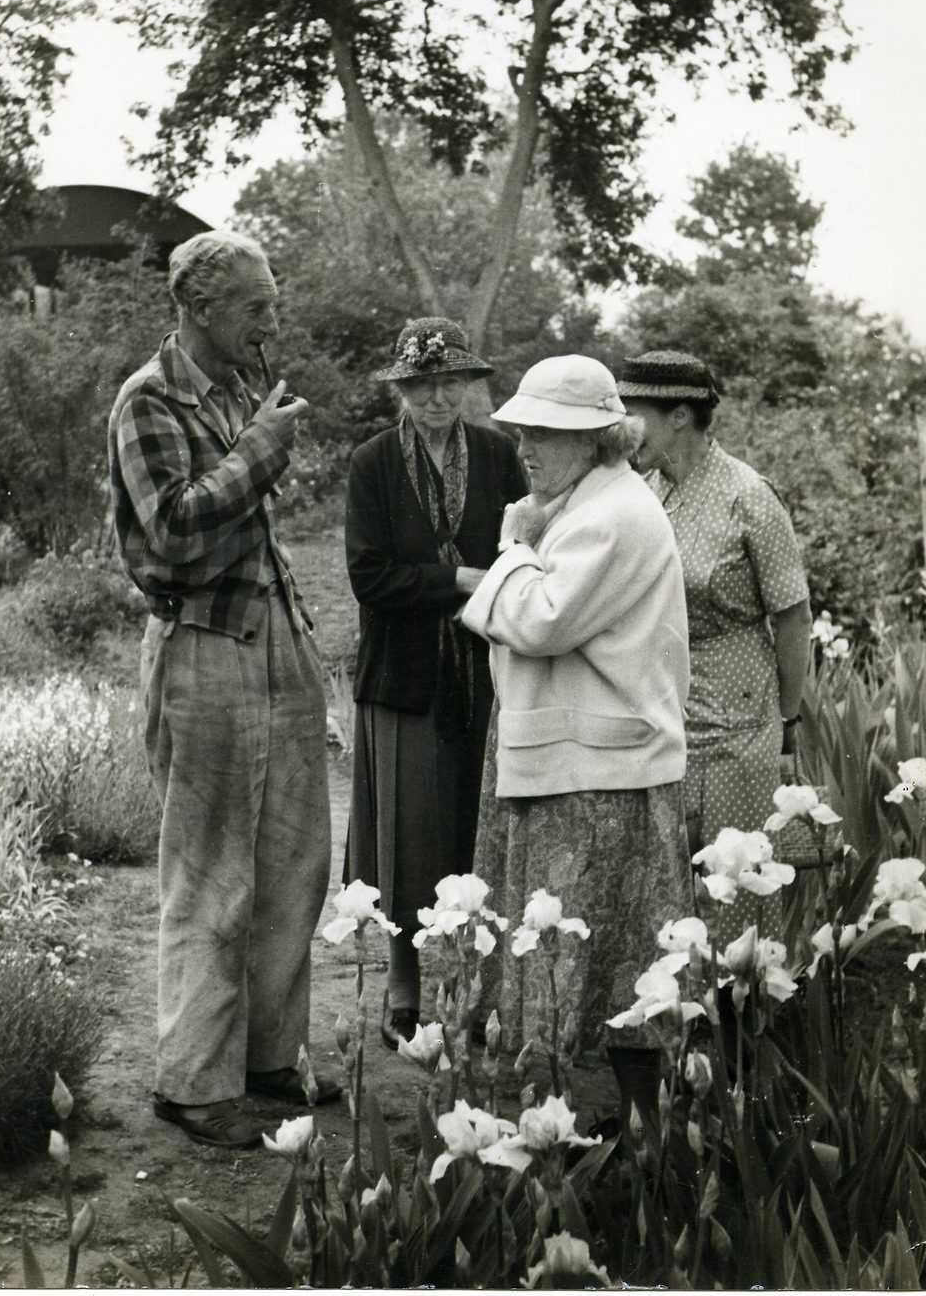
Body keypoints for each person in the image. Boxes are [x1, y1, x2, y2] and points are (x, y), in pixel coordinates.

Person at [108, 229, 335, 1151]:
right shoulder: (149, 399)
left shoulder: (243, 386)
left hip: (275, 633)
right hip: (202, 644)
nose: (270, 321)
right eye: (254, 305)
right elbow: (172, 535)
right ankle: (195, 1083)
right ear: (198, 307)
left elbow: (245, 523)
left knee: (294, 860)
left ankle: (270, 1057)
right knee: (210, 872)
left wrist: (256, 440)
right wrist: (260, 451)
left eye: (273, 301)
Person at [461, 355, 692, 1118]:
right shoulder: (587, 503)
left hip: (597, 775)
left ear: (596, 438)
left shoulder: (610, 514)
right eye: (523, 430)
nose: (526, 446)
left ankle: (607, 1133)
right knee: (604, 963)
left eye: (546, 432)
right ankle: (601, 1129)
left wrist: (512, 545)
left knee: (600, 965)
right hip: (585, 765)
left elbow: (538, 620)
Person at [344, 317, 526, 1047]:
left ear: (467, 386)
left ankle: (475, 992)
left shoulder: (498, 454)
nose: (437, 398)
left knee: (476, 829)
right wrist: (456, 579)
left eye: (450, 383)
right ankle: (405, 990)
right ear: (402, 390)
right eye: (422, 386)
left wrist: (495, 582)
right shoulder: (374, 462)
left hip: (485, 671)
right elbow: (369, 576)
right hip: (404, 675)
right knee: (407, 836)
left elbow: (524, 548)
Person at [618, 349, 811, 941]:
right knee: (664, 886)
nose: (622, 427)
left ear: (679, 416)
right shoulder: (642, 491)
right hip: (660, 709)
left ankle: (741, 1001)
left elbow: (793, 616)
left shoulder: (748, 495)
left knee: (735, 886)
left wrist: (787, 719)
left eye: (634, 413)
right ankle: (680, 1001)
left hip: (736, 720)